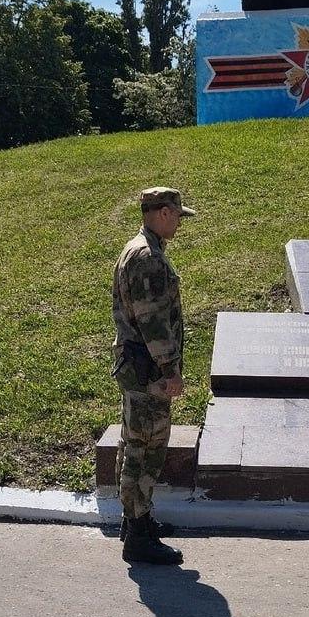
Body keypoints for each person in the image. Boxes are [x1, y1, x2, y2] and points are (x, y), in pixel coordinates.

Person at [112, 187, 195, 566]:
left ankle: (136, 523)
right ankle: (139, 536)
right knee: (145, 450)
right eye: (177, 215)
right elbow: (154, 322)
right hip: (149, 372)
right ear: (162, 213)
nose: (179, 221)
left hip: (137, 368)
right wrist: (170, 371)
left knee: (135, 445)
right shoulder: (147, 258)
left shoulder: (139, 249)